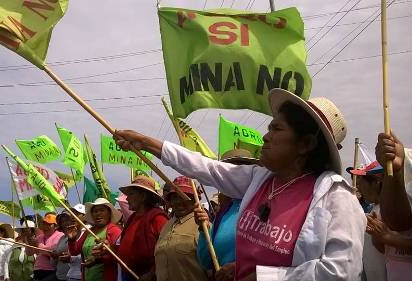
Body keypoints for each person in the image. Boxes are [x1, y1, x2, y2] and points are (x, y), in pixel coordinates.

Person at [114, 88, 366, 280]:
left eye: (277, 129)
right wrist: (147, 143)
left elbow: (341, 271)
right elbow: (206, 167)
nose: (266, 136)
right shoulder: (259, 179)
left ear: (306, 144)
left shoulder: (337, 198)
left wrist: (266, 276)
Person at [196, 149, 259, 281]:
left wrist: (239, 267)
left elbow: (278, 258)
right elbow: (206, 261)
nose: (232, 177)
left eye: (239, 170)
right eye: (227, 172)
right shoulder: (224, 212)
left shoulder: (264, 206)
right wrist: (204, 229)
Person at [374, 132, 412, 281]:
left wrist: (386, 237)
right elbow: (382, 249)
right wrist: (377, 234)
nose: (378, 178)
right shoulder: (377, 209)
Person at [154, 176, 208, 281]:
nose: (178, 202)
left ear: (194, 200)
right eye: (175, 197)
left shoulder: (203, 225)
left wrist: (204, 228)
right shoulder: (167, 225)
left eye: (184, 197)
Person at [117, 176, 169, 281]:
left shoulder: (158, 218)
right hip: (128, 274)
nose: (127, 198)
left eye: (131, 194)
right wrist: (109, 247)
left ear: (143, 196)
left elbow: (166, 251)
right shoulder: (132, 217)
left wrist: (151, 274)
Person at [347, 161, 387, 281]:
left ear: (376, 183)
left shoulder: (389, 214)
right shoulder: (375, 210)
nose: (357, 186)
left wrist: (383, 237)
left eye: (361, 182)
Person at [67, 198, 122, 281]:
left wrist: (98, 260)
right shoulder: (88, 231)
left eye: (102, 210)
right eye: (95, 211)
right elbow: (75, 251)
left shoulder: (114, 230)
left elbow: (119, 256)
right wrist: (72, 239)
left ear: (109, 213)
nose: (98, 214)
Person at [26, 212, 64, 281]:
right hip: (37, 271)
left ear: (56, 226)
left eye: (48, 224)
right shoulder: (39, 237)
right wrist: (28, 240)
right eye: (44, 224)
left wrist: (38, 244)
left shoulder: (60, 236)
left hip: (51, 271)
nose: (45, 227)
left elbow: (51, 251)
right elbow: (29, 253)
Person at [60, 204, 87, 281]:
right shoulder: (72, 232)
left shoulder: (90, 232)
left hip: (82, 276)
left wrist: (70, 258)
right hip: (71, 275)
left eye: (77, 214)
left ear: (85, 216)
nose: (73, 216)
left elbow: (88, 255)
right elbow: (74, 252)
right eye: (72, 214)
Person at [52, 213, 72, 281]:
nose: (65, 223)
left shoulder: (79, 234)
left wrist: (60, 254)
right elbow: (53, 263)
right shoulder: (61, 238)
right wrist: (53, 256)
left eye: (67, 220)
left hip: (72, 276)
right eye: (62, 221)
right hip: (60, 275)